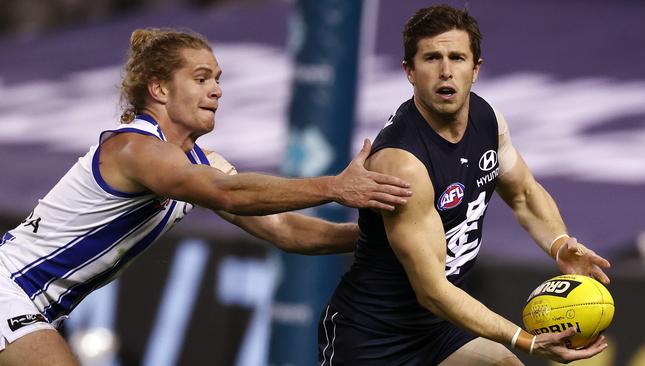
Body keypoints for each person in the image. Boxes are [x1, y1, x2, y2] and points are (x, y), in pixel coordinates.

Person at [0, 28, 413, 366]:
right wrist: (334, 187)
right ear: (159, 88)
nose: (216, 90)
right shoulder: (137, 149)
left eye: (217, 79)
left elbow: (286, 230)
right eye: (201, 79)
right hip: (9, 288)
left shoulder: (195, 161)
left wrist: (377, 237)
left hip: (35, 305)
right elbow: (227, 193)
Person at [318, 5, 612, 365]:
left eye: (457, 58)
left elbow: (523, 193)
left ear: (475, 69)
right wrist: (526, 340)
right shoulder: (401, 162)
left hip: (438, 326)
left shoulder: (487, 119)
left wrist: (559, 244)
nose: (446, 71)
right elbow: (433, 291)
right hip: (374, 337)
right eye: (431, 58)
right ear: (409, 71)